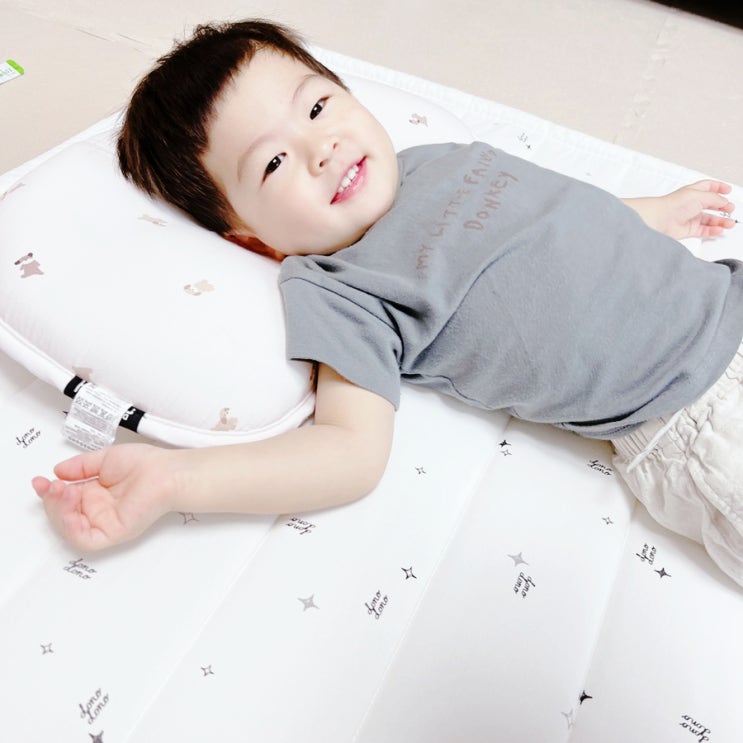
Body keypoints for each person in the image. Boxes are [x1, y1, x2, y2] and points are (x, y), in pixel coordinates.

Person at [31, 20, 743, 586]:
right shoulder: (336, 286)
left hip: (724, 292)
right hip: (693, 417)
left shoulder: (438, 159)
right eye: (273, 163)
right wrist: (175, 479)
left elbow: (556, 217)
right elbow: (347, 451)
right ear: (248, 238)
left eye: (317, 107)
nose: (321, 147)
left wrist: (653, 212)